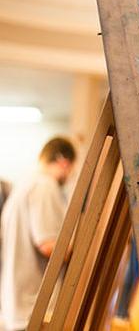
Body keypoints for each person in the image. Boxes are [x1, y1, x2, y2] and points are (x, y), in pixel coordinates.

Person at [0, 137, 76, 330]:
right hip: (33, 308)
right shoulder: (45, 186)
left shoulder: (25, 185)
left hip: (18, 304)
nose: (71, 174)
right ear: (63, 162)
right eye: (72, 169)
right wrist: (84, 249)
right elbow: (49, 245)